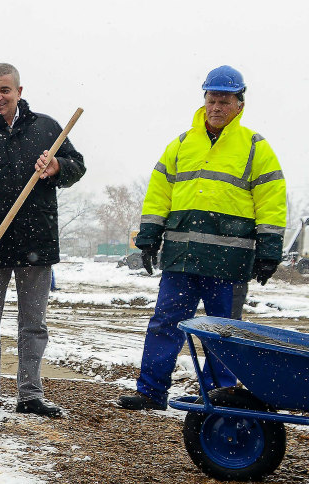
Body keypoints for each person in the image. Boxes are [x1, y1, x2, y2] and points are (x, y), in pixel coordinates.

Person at [118, 65, 286, 411]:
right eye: (212, 99)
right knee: (165, 323)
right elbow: (159, 194)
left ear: (239, 104)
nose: (216, 107)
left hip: (230, 262)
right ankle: (150, 392)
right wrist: (148, 236)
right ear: (204, 100)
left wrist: (270, 249)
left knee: (224, 333)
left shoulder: (256, 147)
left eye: (224, 101)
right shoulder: (181, 145)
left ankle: (219, 397)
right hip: (182, 258)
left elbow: (271, 200)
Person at [0, 63, 86, 418]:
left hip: (37, 243)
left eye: (5, 90)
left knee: (33, 324)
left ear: (19, 92)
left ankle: (30, 394)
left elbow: (77, 165)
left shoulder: (46, 128)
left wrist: (57, 167)